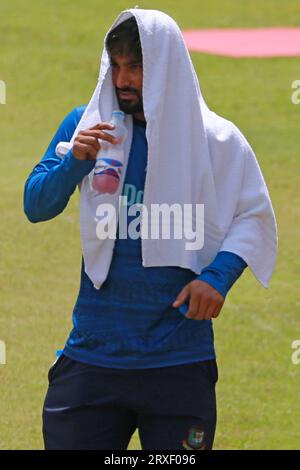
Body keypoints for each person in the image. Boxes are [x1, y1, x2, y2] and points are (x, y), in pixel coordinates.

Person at [23, 9, 277, 450]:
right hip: (93, 356)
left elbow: (252, 215)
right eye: (115, 65)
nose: (122, 79)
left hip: (179, 362)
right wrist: (73, 164)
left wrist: (217, 278)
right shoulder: (87, 126)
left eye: (136, 66)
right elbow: (36, 204)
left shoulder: (217, 139)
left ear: (166, 65)